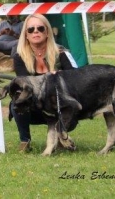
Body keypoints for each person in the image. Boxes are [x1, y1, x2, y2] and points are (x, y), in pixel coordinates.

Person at [11, 14, 76, 153]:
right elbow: (25, 85)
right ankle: (25, 140)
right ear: (26, 35)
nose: (36, 31)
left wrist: (59, 77)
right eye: (31, 29)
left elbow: (76, 78)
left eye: (40, 28)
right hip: (35, 107)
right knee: (16, 102)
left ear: (47, 33)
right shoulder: (19, 57)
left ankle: (60, 136)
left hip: (60, 106)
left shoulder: (62, 53)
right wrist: (48, 78)